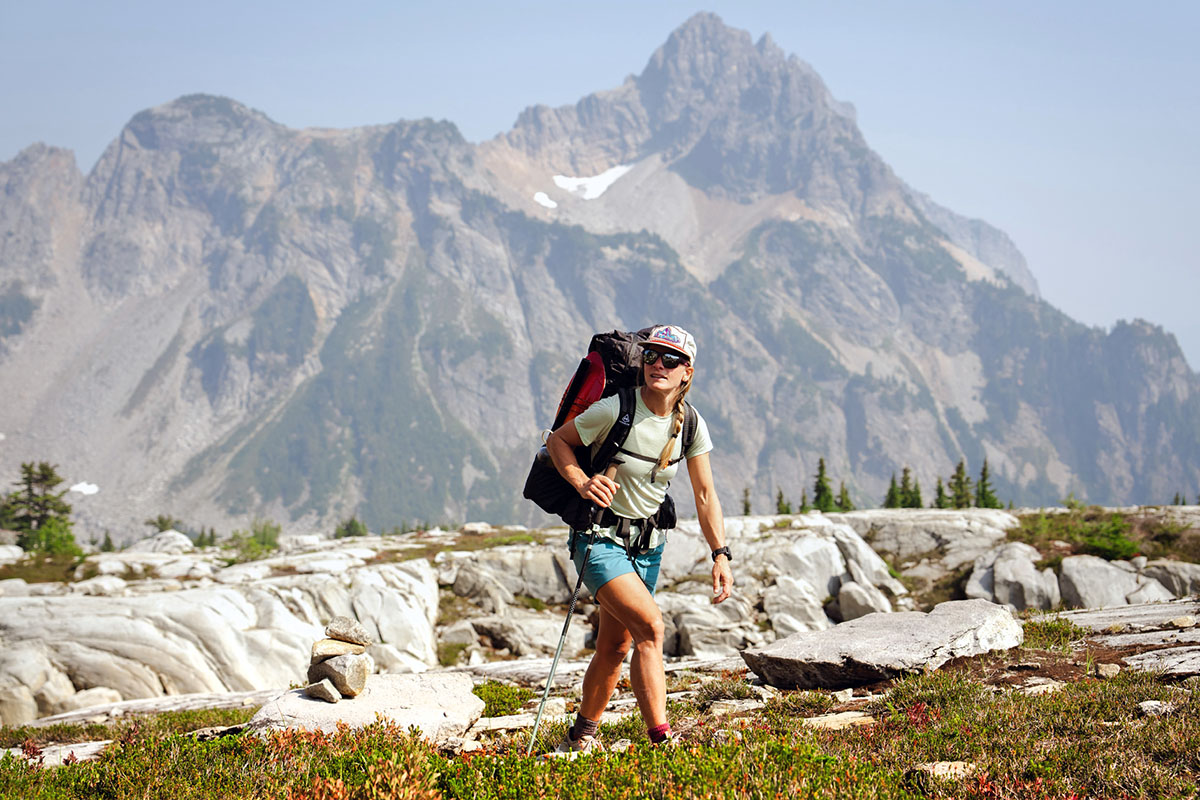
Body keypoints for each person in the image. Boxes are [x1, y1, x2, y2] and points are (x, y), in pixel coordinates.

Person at [544, 324, 733, 753]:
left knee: (615, 645)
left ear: (687, 371)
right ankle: (661, 741)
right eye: (650, 357)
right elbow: (558, 442)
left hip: (648, 548)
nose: (657, 366)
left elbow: (705, 495)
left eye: (669, 360)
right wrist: (580, 481)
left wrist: (720, 554)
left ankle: (580, 736)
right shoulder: (616, 409)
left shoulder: (691, 424)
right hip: (599, 540)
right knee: (651, 627)